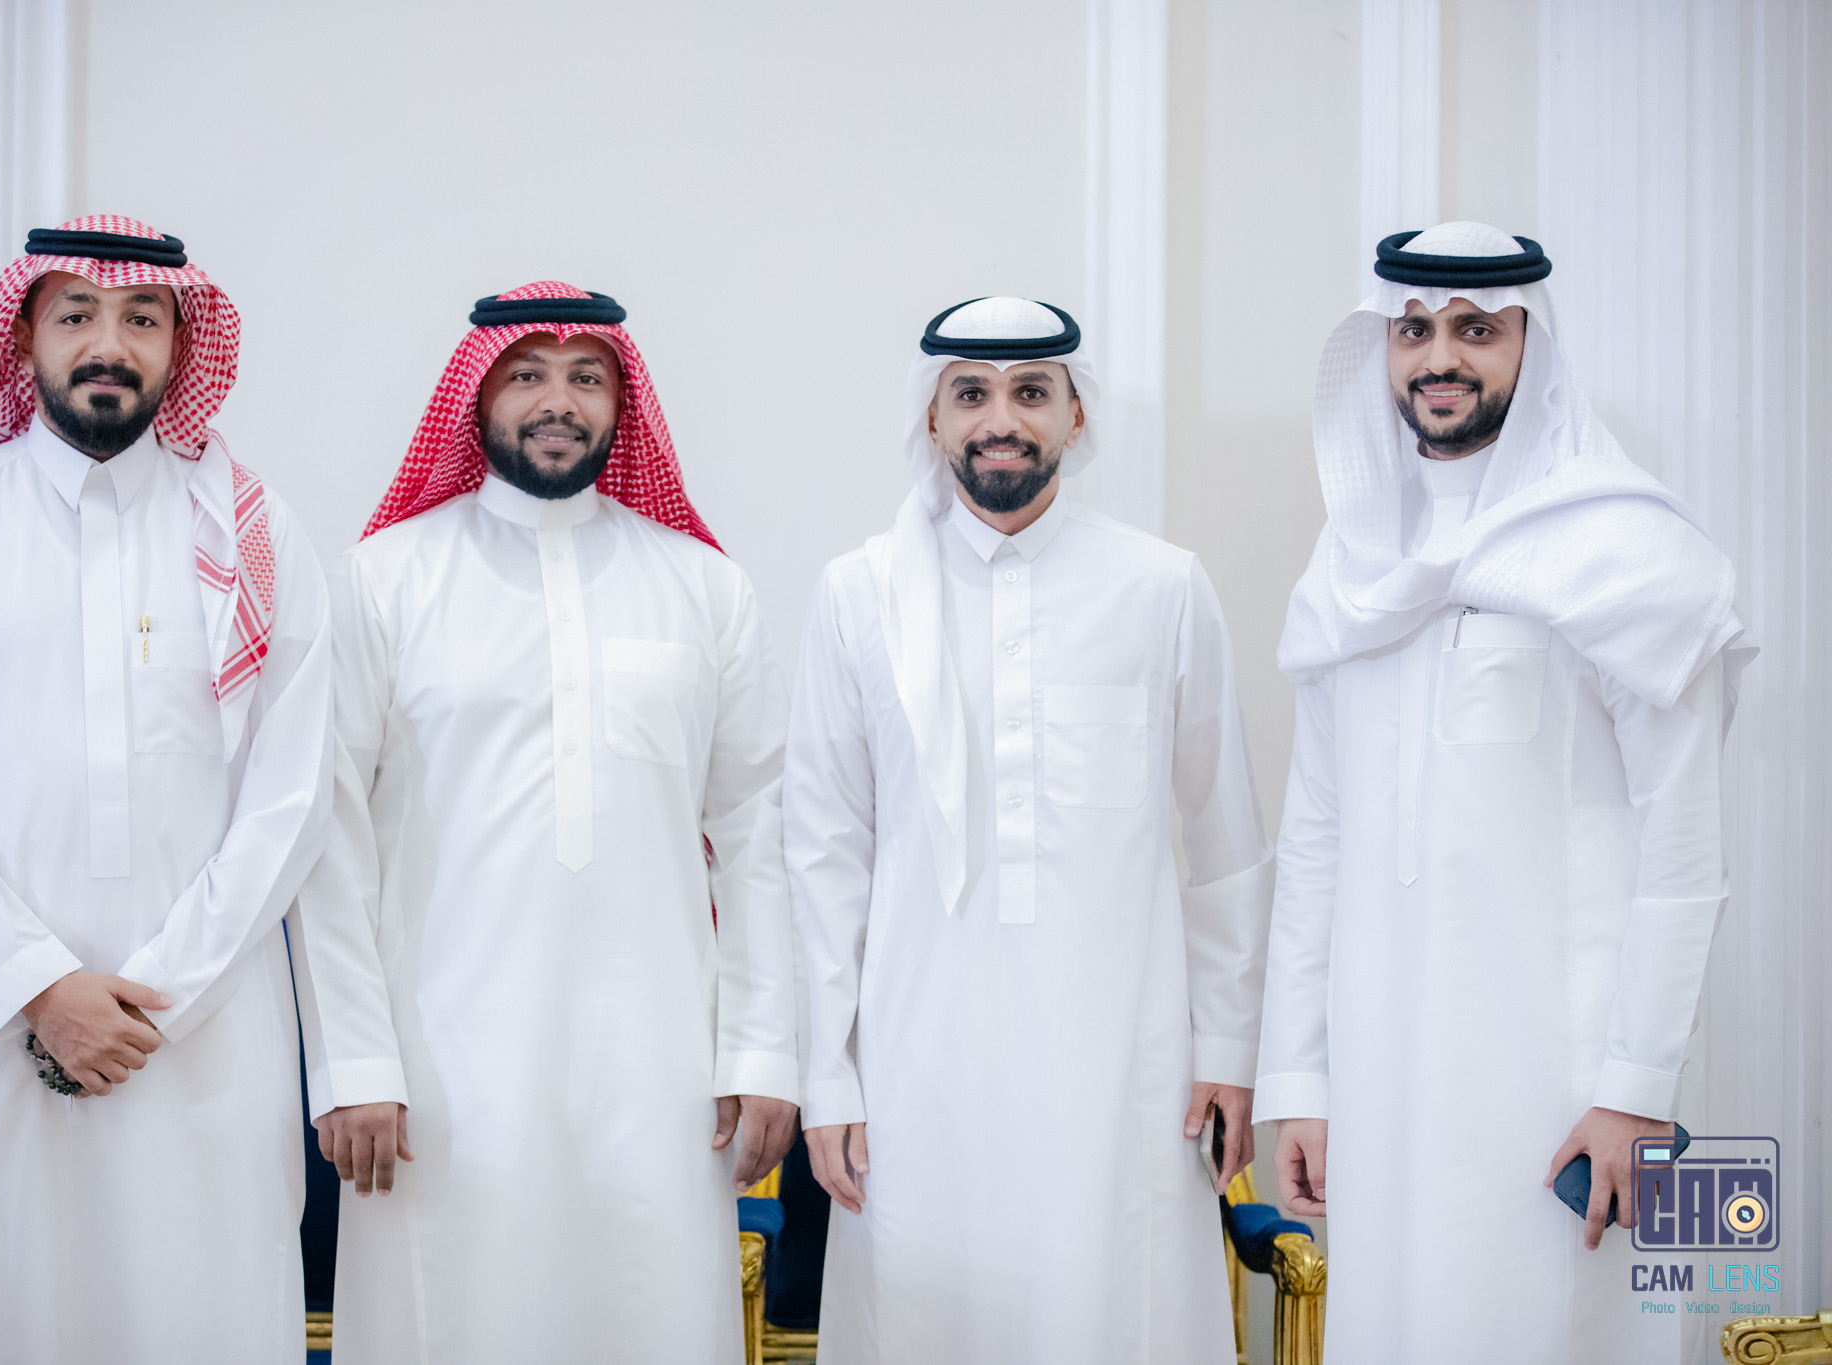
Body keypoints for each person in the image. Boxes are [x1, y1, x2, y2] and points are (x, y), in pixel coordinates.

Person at [0, 216, 334, 1363]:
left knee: (200, 1317)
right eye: (76, 315)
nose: (109, 343)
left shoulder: (252, 533)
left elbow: (291, 797)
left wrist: (154, 997)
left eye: (141, 318)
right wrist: (40, 991)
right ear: (22, 339)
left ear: (180, 344)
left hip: (200, 1041)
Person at [1255, 222, 1754, 1362]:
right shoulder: (1350, 566)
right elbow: (1316, 839)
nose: (1440, 357)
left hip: (1566, 1091)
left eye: (1476, 329)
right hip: (1382, 1082)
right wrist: (1299, 1078)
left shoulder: (1627, 553)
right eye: (1413, 330)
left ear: (1535, 346)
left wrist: (1634, 1089)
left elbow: (1684, 849)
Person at [292, 281, 798, 1363]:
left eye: (585, 378)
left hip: (660, 1065)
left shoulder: (704, 589)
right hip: (439, 1072)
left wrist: (761, 1050)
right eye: (526, 375)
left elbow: (759, 834)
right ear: (476, 398)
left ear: (623, 403)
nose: (556, 401)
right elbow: (328, 838)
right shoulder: (383, 581)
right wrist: (355, 1065)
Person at [785, 297, 1274, 1362]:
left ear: (1075, 415)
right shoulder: (857, 595)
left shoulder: (1161, 586)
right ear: (931, 418)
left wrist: (1231, 1052)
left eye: (1030, 393)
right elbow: (822, 858)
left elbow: (1225, 846)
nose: (1000, 420)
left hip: (1123, 1071)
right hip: (915, 1071)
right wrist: (826, 1076)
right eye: (970, 394)